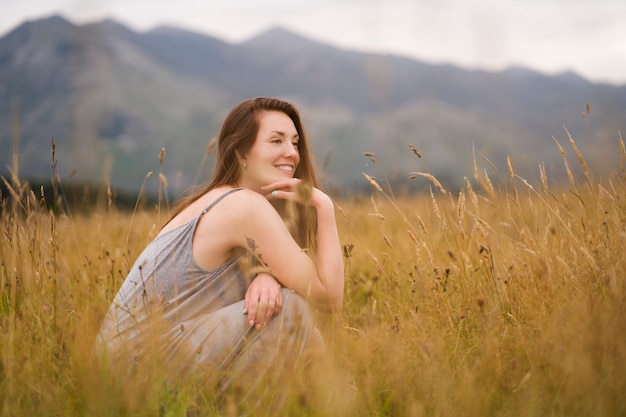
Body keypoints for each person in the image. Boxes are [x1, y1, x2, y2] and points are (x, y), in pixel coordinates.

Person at [96, 97, 344, 402]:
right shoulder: (244, 206)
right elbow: (329, 297)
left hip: (118, 371)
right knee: (291, 311)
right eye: (276, 140)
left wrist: (268, 277)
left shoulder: (223, 200)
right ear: (241, 152)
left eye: (294, 142)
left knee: (286, 311)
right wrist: (325, 207)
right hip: (133, 375)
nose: (291, 153)